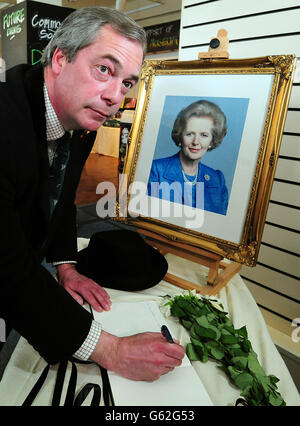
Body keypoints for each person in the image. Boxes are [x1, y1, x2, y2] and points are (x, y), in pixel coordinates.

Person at [0, 6, 184, 382]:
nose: (115, 96)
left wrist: (65, 265)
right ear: (60, 58)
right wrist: (111, 349)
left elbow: (62, 194)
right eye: (104, 69)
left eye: (127, 82)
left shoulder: (78, 116)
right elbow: (5, 268)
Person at [148, 100, 229, 215]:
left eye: (204, 135)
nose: (196, 142)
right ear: (180, 136)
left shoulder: (217, 179)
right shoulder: (156, 170)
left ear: (212, 140)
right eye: (190, 134)